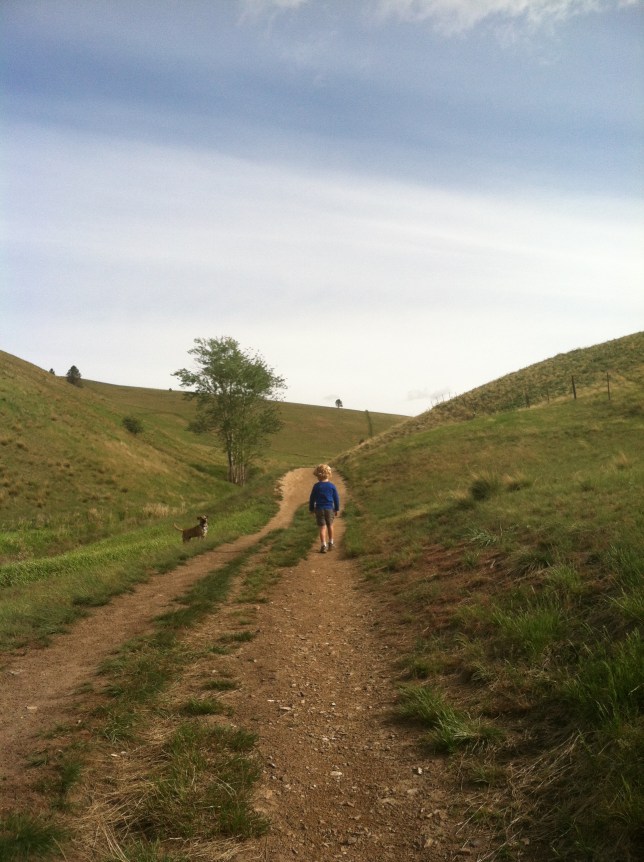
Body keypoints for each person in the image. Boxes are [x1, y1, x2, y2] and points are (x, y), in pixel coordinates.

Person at [309, 464, 340, 554]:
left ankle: (323, 545)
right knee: (330, 525)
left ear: (318, 476)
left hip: (319, 509)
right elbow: (336, 498)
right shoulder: (332, 486)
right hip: (329, 508)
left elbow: (312, 498)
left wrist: (311, 508)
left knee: (322, 527)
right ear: (328, 474)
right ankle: (331, 542)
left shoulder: (316, 486)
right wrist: (336, 509)